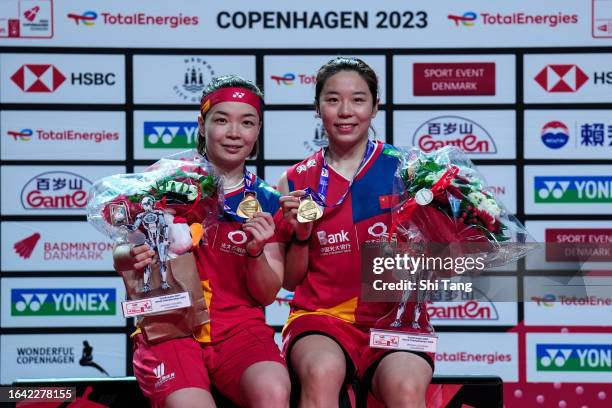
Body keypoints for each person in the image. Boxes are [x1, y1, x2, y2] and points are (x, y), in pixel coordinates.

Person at [115, 75, 291, 408]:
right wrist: (129, 255)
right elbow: (122, 250)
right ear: (202, 123)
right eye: (222, 120)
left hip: (239, 329)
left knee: (274, 392)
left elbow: (267, 293)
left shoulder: (266, 199)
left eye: (247, 122)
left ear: (258, 129)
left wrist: (255, 253)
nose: (235, 133)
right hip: (170, 328)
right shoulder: (167, 182)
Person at [278, 57, 434, 408]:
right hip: (322, 319)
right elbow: (290, 281)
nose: (345, 111)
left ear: (375, 107)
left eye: (358, 100)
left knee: (406, 389)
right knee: (321, 371)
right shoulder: (294, 182)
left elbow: (447, 258)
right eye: (333, 99)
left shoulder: (411, 173)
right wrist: (302, 235)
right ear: (317, 108)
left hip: (395, 320)